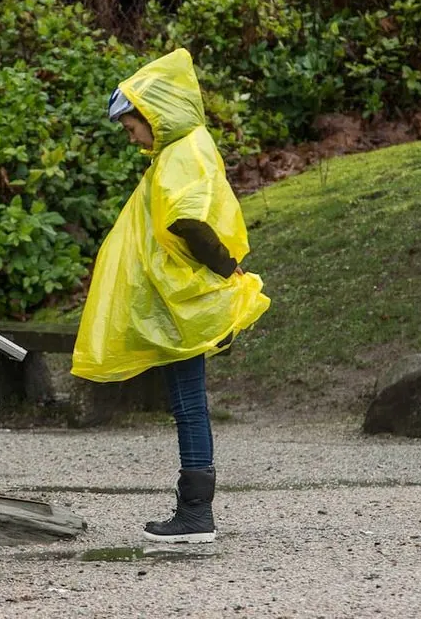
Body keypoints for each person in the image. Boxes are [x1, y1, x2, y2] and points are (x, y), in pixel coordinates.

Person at [72, 48, 271, 544]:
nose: (131, 135)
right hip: (177, 297)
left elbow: (188, 220)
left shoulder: (183, 153)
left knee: (188, 404)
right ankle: (193, 509)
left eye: (131, 125)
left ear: (154, 114)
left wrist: (228, 269)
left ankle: (196, 514)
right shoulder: (184, 150)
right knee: (188, 403)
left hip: (181, 300)